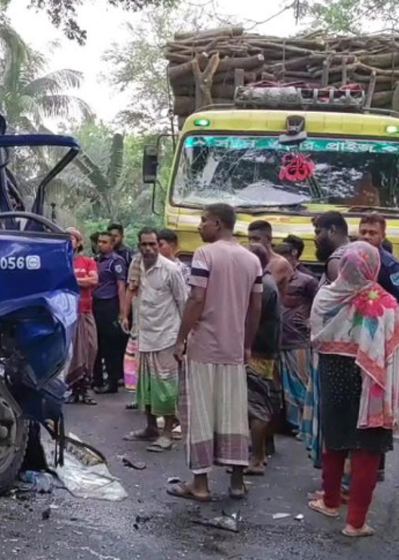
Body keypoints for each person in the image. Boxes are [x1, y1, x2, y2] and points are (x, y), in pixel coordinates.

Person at [307, 242, 399, 538]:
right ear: (373, 267)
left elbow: (315, 334)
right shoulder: (384, 303)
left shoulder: (326, 296)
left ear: (343, 266)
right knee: (366, 447)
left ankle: (330, 502)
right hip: (372, 378)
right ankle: (355, 522)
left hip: (333, 374)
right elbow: (397, 347)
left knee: (336, 438)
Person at [167, 203, 263, 502]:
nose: (199, 226)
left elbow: (196, 298)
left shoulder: (204, 254)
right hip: (233, 351)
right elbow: (255, 307)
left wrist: (180, 338)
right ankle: (236, 483)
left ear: (218, 223)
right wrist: (247, 344)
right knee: (234, 414)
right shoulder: (252, 260)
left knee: (200, 414)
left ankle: (200, 484)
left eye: (203, 221)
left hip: (204, 347)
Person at [119, 228, 187, 452]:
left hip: (166, 337)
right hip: (144, 335)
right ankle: (150, 428)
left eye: (152, 244)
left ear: (159, 245)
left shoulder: (171, 270)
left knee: (166, 388)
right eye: (144, 245)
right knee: (146, 386)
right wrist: (125, 315)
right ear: (138, 246)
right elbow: (132, 289)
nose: (148, 249)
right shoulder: (137, 264)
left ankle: (167, 433)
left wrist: (182, 340)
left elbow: (183, 304)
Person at [274, 243, 320, 458]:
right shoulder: (274, 278)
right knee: (285, 386)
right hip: (280, 338)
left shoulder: (307, 280)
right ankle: (292, 424)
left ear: (293, 257)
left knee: (302, 383)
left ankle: (306, 425)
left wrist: (311, 322)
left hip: (300, 341)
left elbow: (319, 303)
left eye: (284, 256)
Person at [245, 244, 284, 472]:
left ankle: (257, 458)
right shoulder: (265, 283)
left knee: (256, 406)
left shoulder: (263, 287)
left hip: (259, 352)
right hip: (263, 350)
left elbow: (252, 320)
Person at [358, 214, 399, 323]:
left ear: (382, 237)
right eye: (363, 232)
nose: (366, 236)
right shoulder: (350, 260)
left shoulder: (389, 265)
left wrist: (386, 328)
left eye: (373, 233)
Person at [65, 228, 99, 405]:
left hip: (85, 311)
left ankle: (86, 387)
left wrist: (71, 280)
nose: (69, 242)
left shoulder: (87, 262)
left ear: (79, 242)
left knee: (89, 349)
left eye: (71, 239)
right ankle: (74, 389)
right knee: (72, 353)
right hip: (66, 314)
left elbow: (93, 281)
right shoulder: (60, 262)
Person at [92, 232, 128, 394]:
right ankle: (96, 379)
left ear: (112, 244)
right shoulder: (96, 261)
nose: (100, 245)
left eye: (104, 242)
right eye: (99, 242)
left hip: (110, 304)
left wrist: (122, 311)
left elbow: (121, 286)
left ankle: (112, 381)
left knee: (110, 345)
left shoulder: (116, 261)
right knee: (96, 343)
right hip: (96, 303)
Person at [248, 220, 293, 297]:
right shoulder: (251, 260)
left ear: (268, 239)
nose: (252, 243)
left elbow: (263, 289)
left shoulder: (280, 263)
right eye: (249, 239)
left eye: (256, 239)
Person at [313, 211, 351, 286]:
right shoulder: (354, 253)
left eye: (318, 232)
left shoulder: (336, 260)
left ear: (332, 230)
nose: (315, 239)